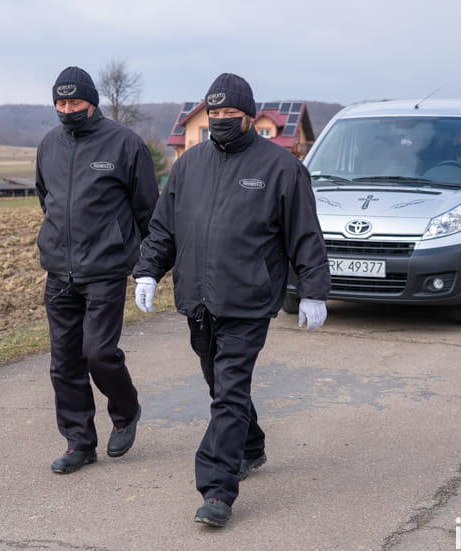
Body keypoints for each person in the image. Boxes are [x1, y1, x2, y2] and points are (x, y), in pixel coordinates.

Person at [132, 73, 331, 527]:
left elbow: (305, 234)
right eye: (214, 114)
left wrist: (314, 290)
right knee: (221, 386)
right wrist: (147, 270)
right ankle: (252, 446)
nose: (221, 121)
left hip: (249, 298)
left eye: (230, 114)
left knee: (229, 390)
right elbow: (165, 227)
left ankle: (218, 489)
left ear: (249, 116)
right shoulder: (188, 165)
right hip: (198, 299)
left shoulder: (281, 168)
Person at [35, 66, 159, 473]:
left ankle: (126, 410)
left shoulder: (125, 144)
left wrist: (148, 265)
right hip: (59, 270)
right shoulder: (48, 145)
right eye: (61, 102)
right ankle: (79, 442)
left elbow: (148, 211)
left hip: (106, 269)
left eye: (75, 102)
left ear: (93, 102)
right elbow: (46, 198)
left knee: (99, 352)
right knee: (64, 361)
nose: (67, 109)